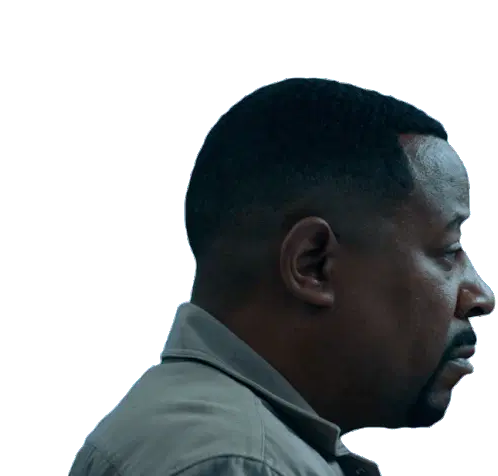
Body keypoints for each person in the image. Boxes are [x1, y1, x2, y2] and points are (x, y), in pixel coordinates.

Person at [69, 78, 495, 476]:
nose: (480, 296)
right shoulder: (240, 461)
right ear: (313, 264)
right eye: (448, 250)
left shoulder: (200, 433)